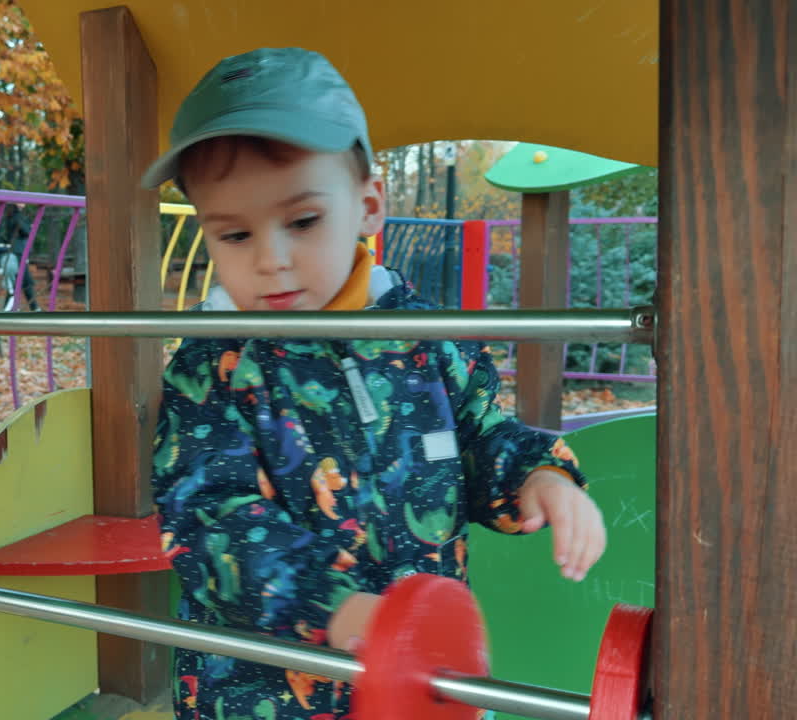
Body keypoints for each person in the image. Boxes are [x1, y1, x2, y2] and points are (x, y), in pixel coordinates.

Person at [142, 47, 606, 718]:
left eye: (302, 222)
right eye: (235, 235)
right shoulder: (212, 369)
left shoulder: (422, 335)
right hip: (264, 695)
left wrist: (540, 478)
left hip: (419, 678)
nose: (271, 260)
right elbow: (213, 522)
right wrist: (341, 612)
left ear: (367, 206)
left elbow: (479, 438)